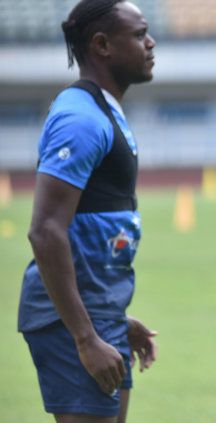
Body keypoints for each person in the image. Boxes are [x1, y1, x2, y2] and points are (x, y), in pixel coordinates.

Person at [18, 1, 157, 422]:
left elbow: (89, 226)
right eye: (138, 34)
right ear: (102, 45)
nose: (150, 43)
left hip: (98, 313)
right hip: (73, 324)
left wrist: (112, 315)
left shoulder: (105, 110)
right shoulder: (79, 119)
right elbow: (45, 231)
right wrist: (84, 335)